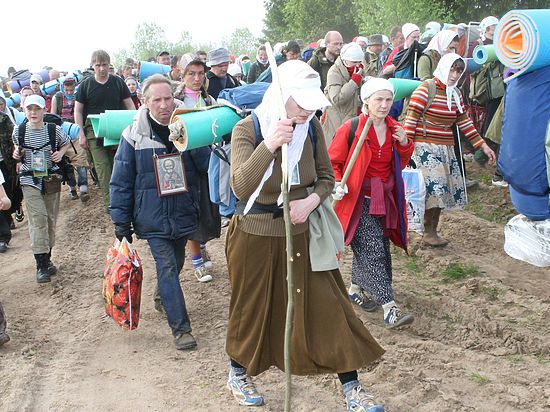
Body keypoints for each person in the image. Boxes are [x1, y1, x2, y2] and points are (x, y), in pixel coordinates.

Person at [225, 60, 385, 412]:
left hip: (301, 234)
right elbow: (241, 187)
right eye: (301, 104)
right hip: (255, 234)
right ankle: (238, 372)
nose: (308, 111)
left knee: (330, 305)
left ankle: (352, 388)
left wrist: (311, 201)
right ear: (281, 96)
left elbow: (327, 177)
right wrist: (269, 145)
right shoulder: (246, 130)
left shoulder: (310, 127)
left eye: (311, 104)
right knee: (253, 307)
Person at [110, 74, 211, 351]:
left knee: (176, 265)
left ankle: (162, 297)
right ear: (144, 102)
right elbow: (121, 181)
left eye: (168, 98)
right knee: (167, 267)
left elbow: (205, 166)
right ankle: (181, 330)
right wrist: (121, 222)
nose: (164, 105)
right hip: (152, 217)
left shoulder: (187, 126)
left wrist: (200, 137)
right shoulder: (133, 136)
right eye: (157, 100)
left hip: (183, 211)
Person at [329, 78, 415, 328]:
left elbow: (402, 160)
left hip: (384, 198)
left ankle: (355, 288)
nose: (385, 105)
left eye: (388, 99)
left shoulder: (394, 128)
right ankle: (389, 307)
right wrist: (337, 182)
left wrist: (404, 143)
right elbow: (333, 161)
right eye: (379, 99)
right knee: (372, 249)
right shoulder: (352, 128)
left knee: (377, 246)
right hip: (356, 200)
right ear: (366, 101)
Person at [403, 53, 496, 247]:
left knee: (442, 192)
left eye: (459, 71)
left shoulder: (455, 93)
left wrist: (483, 145)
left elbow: (464, 122)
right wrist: (404, 150)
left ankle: (430, 230)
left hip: (445, 149)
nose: (454, 75)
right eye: (452, 69)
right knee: (433, 191)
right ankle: (426, 231)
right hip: (424, 148)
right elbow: (410, 122)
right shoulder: (426, 89)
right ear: (444, 67)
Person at [12, 95, 71, 283]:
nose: (33, 112)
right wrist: (17, 153)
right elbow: (17, 150)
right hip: (29, 180)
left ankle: (47, 260)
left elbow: (66, 143)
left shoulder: (55, 130)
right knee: (38, 219)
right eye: (29, 109)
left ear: (44, 111)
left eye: (37, 109)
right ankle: (40, 266)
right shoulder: (19, 131)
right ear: (24, 110)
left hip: (50, 179)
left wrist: (60, 154)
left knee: (50, 218)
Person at [174, 58, 218, 284]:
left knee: (206, 207)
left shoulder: (209, 99)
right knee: (191, 211)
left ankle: (201, 247)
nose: (197, 78)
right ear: (183, 75)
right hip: (184, 163)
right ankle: (197, 261)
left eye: (201, 73)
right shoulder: (174, 102)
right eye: (192, 74)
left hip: (207, 160)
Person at [74, 50, 134, 209]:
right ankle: (112, 206)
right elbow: (78, 111)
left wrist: (134, 124)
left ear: (109, 65)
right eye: (98, 65)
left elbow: (129, 105)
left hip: (116, 129)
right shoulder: (85, 85)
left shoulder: (118, 82)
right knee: (103, 168)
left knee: (120, 165)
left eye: (104, 65)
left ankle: (125, 202)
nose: (101, 68)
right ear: (92, 66)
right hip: (94, 131)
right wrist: (81, 134)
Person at [52, 77, 90, 202]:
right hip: (61, 135)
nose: (69, 92)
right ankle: (72, 187)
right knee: (67, 164)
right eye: (67, 90)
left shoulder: (78, 95)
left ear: (75, 87)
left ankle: (83, 188)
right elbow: (53, 117)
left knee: (81, 159)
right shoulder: (57, 98)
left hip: (76, 132)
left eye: (71, 90)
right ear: (63, 87)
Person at [322, 42, 364, 145]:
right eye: (354, 62)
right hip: (336, 122)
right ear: (345, 60)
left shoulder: (357, 70)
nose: (357, 65)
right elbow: (336, 99)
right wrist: (354, 82)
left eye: (359, 62)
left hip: (353, 119)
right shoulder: (334, 72)